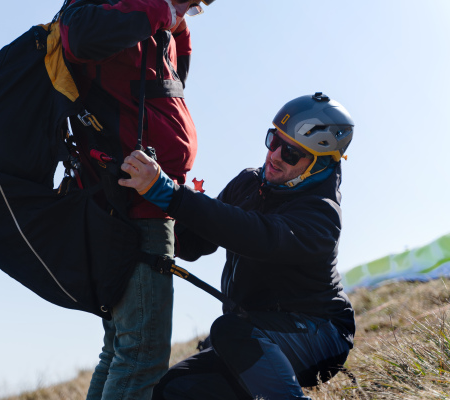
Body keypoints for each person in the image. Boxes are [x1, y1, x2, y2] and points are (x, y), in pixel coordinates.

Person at [119, 92, 356, 399]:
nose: (274, 156)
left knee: (229, 330)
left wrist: (172, 195)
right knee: (173, 388)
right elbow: (194, 244)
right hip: (252, 334)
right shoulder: (248, 183)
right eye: (273, 140)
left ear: (319, 163)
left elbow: (255, 235)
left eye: (291, 153)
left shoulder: (321, 214)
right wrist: (154, 215)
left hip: (321, 336)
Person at [59, 1, 216, 399]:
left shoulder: (155, 26)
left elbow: (168, 92)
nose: (186, 10)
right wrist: (165, 10)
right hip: (133, 209)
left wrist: (177, 27)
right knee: (141, 356)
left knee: (120, 350)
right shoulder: (120, 11)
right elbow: (80, 36)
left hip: (142, 204)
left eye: (196, 8)